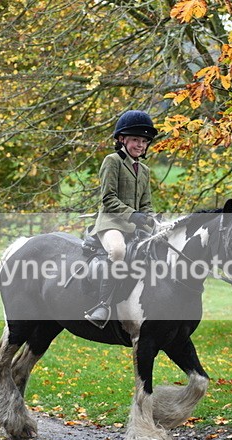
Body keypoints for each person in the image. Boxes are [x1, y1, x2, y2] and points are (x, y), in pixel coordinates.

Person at [84, 110, 158, 328]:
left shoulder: (144, 170)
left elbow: (146, 203)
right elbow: (108, 198)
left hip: (135, 226)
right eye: (135, 140)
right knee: (118, 251)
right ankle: (103, 305)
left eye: (144, 141)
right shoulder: (112, 161)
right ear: (122, 139)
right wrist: (133, 215)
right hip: (111, 223)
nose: (140, 145)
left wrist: (152, 219)